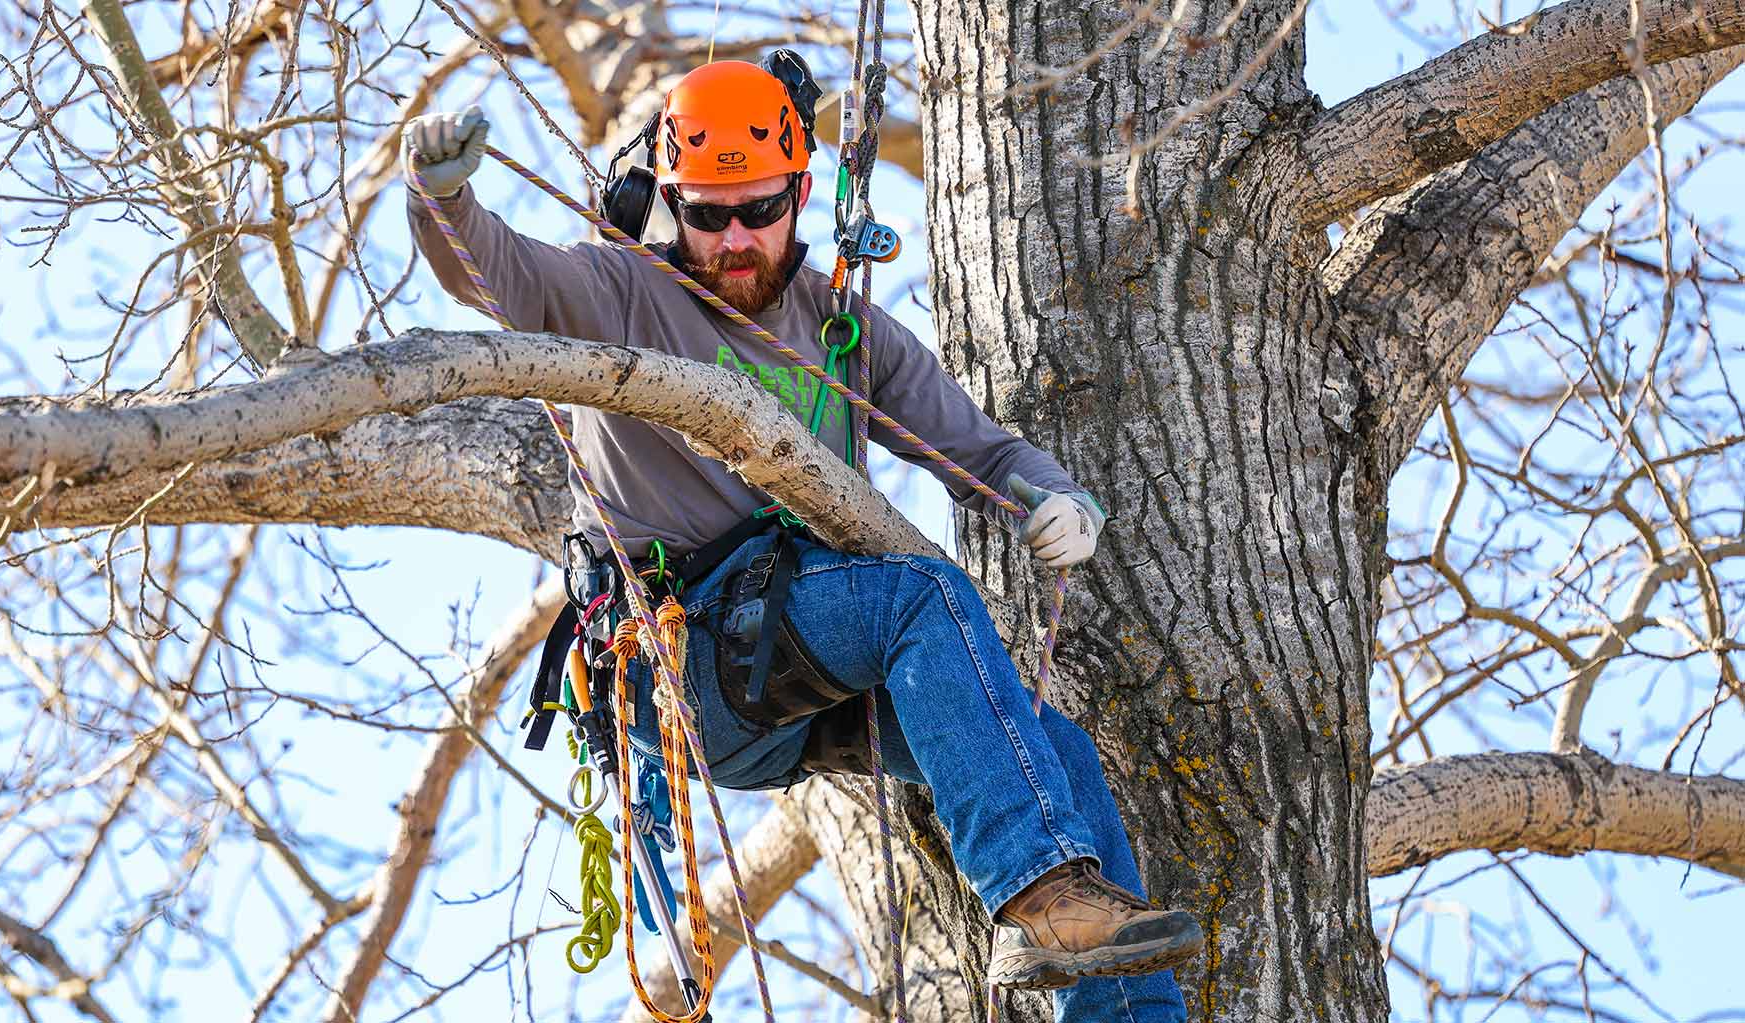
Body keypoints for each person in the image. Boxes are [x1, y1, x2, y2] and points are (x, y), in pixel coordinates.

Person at [404, 57, 1200, 1019]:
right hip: (691, 660)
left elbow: (979, 447)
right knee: (925, 593)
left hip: (808, 667)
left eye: (757, 209)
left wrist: (1049, 495)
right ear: (671, 202)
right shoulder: (617, 294)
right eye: (706, 214)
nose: (734, 239)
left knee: (1054, 750)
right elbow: (494, 271)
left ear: (800, 193)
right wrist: (439, 196)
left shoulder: (842, 329)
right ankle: (1035, 898)